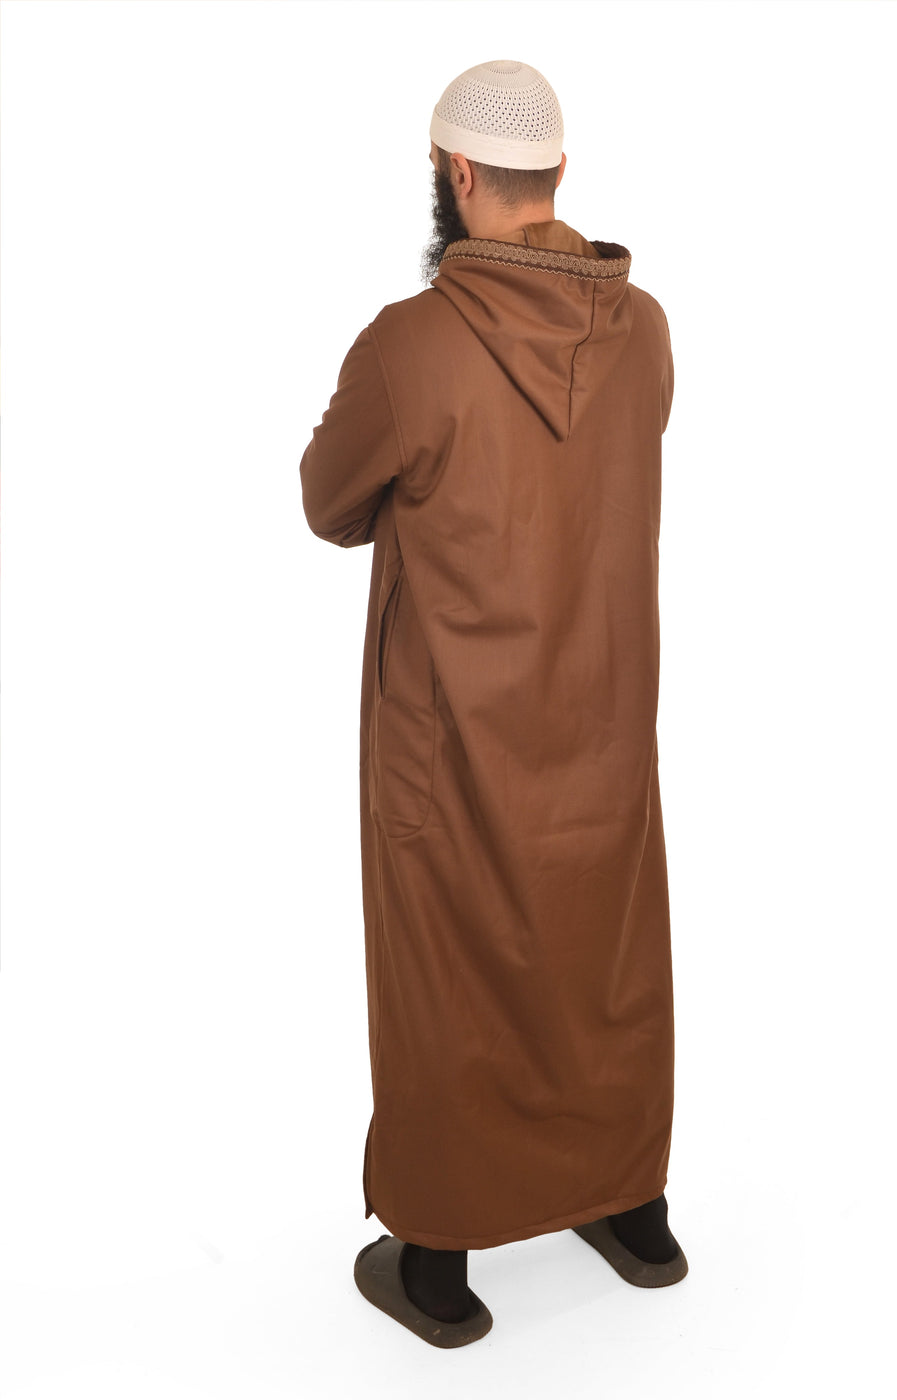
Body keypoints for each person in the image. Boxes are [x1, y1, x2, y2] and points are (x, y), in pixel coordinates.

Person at [299, 58, 686, 1348]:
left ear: (455, 173)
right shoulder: (647, 334)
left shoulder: (410, 346)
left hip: (453, 734)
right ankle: (632, 1208)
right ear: (558, 171)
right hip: (605, 719)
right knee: (605, 956)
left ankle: (434, 1260)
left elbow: (328, 503)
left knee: (447, 976)